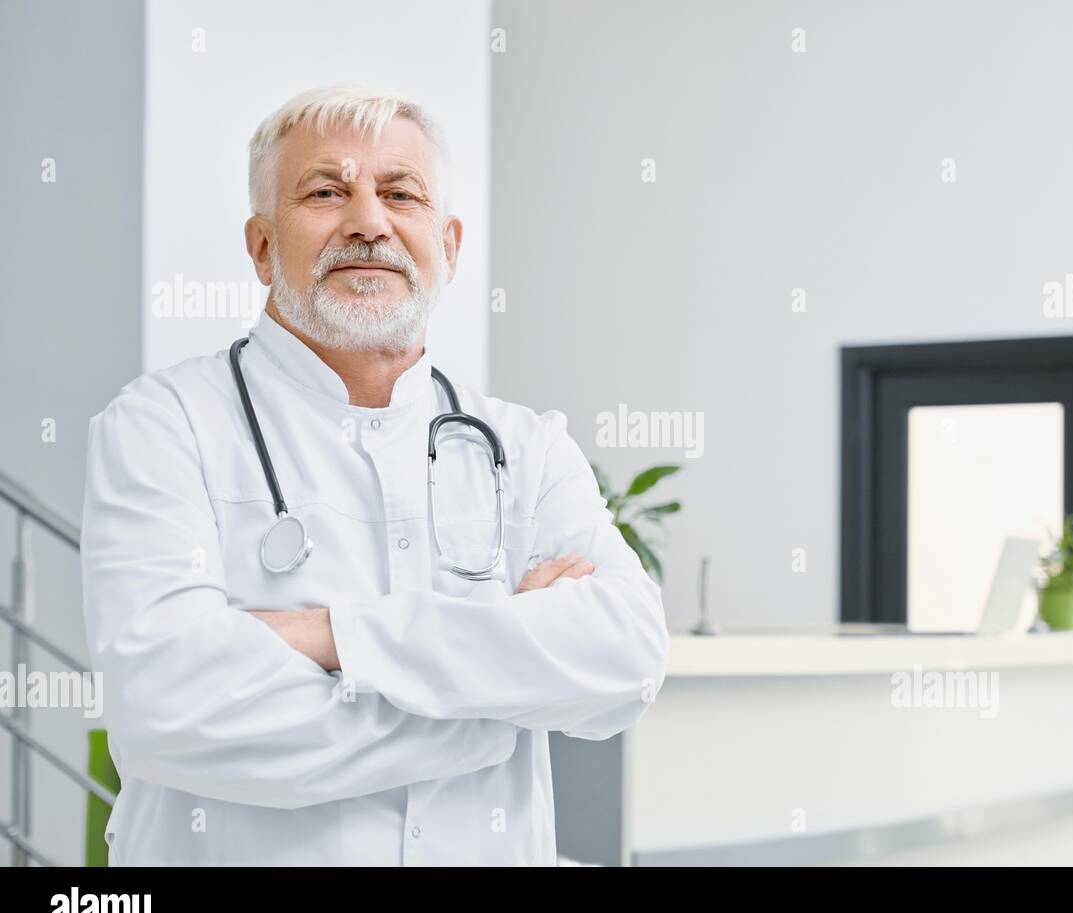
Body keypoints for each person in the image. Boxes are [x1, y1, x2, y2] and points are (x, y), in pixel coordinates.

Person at [79, 83, 670, 866]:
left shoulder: (526, 446)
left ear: (450, 245)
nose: (368, 221)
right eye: (326, 191)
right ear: (261, 246)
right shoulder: (162, 426)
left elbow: (625, 657)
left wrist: (329, 634)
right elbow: (167, 708)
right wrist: (499, 699)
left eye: (401, 193)